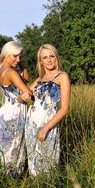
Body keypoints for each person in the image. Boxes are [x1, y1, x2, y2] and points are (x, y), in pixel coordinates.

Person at [0, 41, 32, 175]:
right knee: (13, 146)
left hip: (5, 111)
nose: (18, 59)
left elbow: (26, 78)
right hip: (14, 112)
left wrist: (20, 63)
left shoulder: (1, 68)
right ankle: (10, 176)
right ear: (6, 54)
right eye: (15, 56)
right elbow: (27, 93)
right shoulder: (11, 72)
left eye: (20, 57)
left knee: (1, 146)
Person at [24, 44, 71, 176]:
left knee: (47, 163)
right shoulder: (40, 79)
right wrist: (24, 96)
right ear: (41, 61)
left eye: (52, 56)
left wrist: (46, 128)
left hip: (47, 124)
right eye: (45, 57)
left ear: (56, 58)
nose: (49, 60)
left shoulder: (62, 77)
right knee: (33, 161)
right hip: (31, 124)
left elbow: (65, 109)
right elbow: (25, 96)